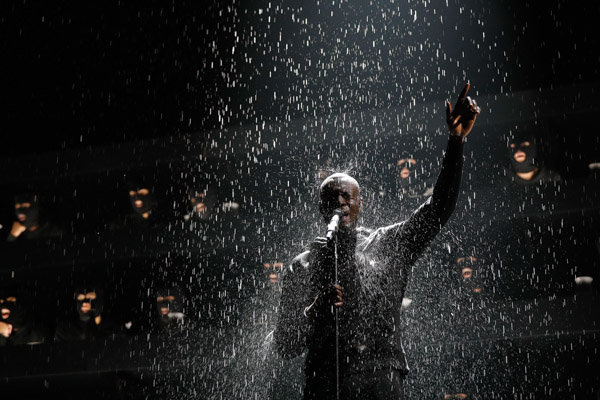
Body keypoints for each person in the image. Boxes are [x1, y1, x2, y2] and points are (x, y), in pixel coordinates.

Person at [274, 83, 480, 399]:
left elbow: (438, 209)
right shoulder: (302, 266)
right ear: (320, 207)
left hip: (380, 381)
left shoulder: (387, 245)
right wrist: (315, 310)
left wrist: (456, 142)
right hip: (325, 385)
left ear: (360, 203)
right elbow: (284, 345)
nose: (340, 201)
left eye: (347, 196)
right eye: (332, 197)